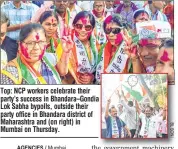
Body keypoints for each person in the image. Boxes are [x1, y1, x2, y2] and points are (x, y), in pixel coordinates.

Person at [1, 23, 72, 84]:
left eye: (41, 42)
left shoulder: (47, 59)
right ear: (20, 45)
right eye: (30, 43)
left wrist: (66, 52)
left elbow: (63, 72)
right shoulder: (11, 73)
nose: (36, 47)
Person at [95, 14, 140, 84]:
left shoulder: (132, 48)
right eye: (107, 30)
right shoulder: (103, 47)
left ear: (124, 30)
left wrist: (134, 59)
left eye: (115, 30)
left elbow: (138, 79)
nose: (111, 34)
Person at [65, 11, 98, 84]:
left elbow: (100, 67)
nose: (83, 30)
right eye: (79, 26)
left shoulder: (96, 45)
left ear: (92, 28)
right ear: (73, 25)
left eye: (87, 27)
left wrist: (92, 77)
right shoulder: (66, 43)